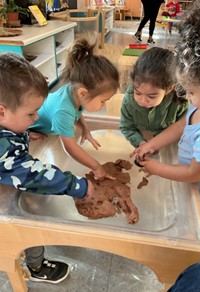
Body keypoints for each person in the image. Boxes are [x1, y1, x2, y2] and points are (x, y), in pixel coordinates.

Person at [0, 52, 94, 283]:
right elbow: (35, 175)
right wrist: (78, 186)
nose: (36, 117)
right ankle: (36, 267)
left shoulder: (9, 126)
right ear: (1, 111)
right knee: (24, 227)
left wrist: (24, 132)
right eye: (30, 114)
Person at [131, 0, 200, 238]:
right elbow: (182, 125)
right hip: (188, 175)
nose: (187, 98)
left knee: (199, 227)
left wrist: (155, 167)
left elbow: (194, 173)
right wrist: (152, 144)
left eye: (190, 92)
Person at [30, 36, 119, 181]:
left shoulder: (75, 92)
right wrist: (97, 167)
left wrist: (85, 128)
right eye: (103, 101)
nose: (104, 105)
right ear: (83, 93)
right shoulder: (63, 111)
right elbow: (70, 148)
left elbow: (76, 112)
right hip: (26, 125)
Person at [120, 47, 189, 149]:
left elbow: (184, 129)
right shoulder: (128, 101)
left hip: (168, 145)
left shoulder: (180, 102)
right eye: (138, 93)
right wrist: (141, 142)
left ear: (169, 89)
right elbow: (127, 127)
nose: (143, 101)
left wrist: (158, 142)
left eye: (151, 96)